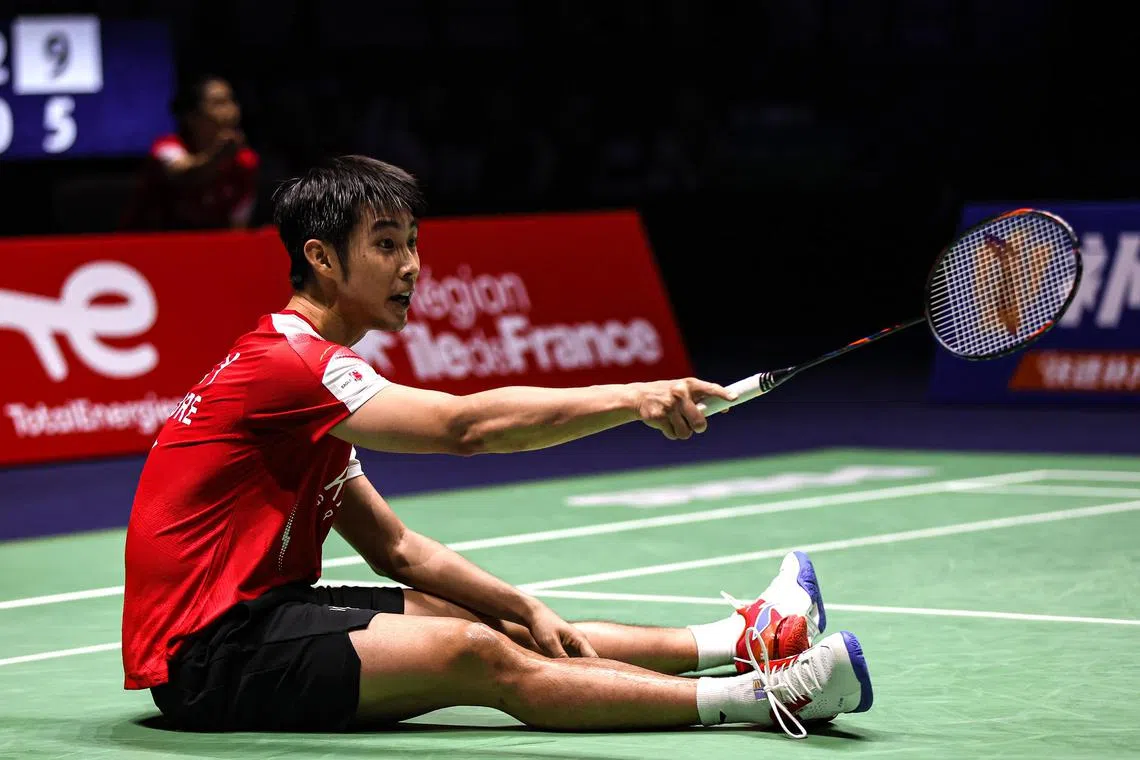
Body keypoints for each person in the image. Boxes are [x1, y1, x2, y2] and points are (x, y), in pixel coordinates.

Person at [121, 155, 873, 739]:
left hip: (264, 613)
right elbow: (466, 428)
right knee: (476, 656)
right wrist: (632, 398)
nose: (411, 265)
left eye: (413, 243)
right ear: (320, 258)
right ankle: (763, 697)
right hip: (210, 657)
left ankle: (742, 638)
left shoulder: (306, 385)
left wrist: (524, 606)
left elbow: (399, 551)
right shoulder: (290, 367)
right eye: (385, 246)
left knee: (502, 626)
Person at [121, 74, 259, 231]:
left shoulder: (245, 161)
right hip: (150, 245)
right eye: (218, 103)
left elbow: (237, 226)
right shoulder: (166, 147)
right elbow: (183, 174)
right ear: (191, 116)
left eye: (232, 101)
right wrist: (218, 156)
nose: (231, 111)